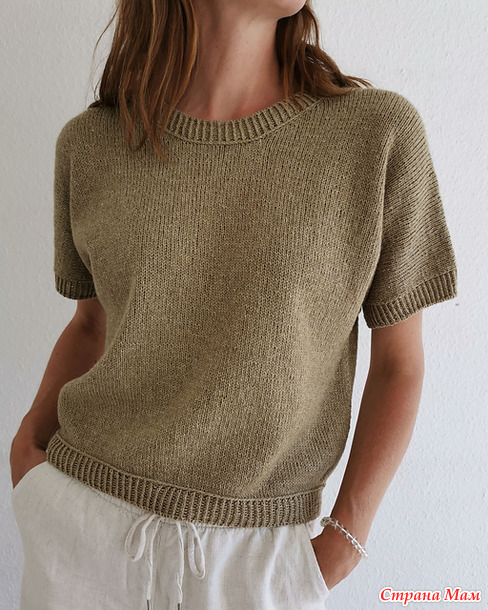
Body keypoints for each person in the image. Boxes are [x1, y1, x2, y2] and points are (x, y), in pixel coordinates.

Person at [9, 0, 458, 608]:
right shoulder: (92, 144)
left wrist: (345, 539)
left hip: (257, 557)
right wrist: (28, 451)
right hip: (82, 530)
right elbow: (92, 324)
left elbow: (399, 363)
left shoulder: (374, 136)